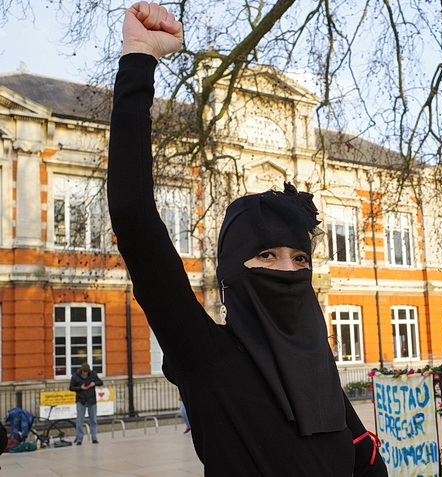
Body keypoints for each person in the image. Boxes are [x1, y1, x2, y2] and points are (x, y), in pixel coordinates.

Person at [107, 3, 386, 475]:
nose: (288, 270)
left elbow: (366, 462)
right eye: (266, 255)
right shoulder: (206, 356)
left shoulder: (318, 371)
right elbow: (135, 221)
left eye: (300, 258)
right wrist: (139, 58)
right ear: (236, 267)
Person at [69, 363, 102, 445]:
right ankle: (79, 438)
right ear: (81, 371)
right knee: (79, 420)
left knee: (93, 420)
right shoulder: (75, 376)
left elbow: (100, 382)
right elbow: (71, 388)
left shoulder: (93, 374)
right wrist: (80, 388)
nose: (85, 373)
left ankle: (94, 437)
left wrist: (94, 383)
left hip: (91, 399)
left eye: (86, 372)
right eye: (83, 372)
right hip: (81, 400)